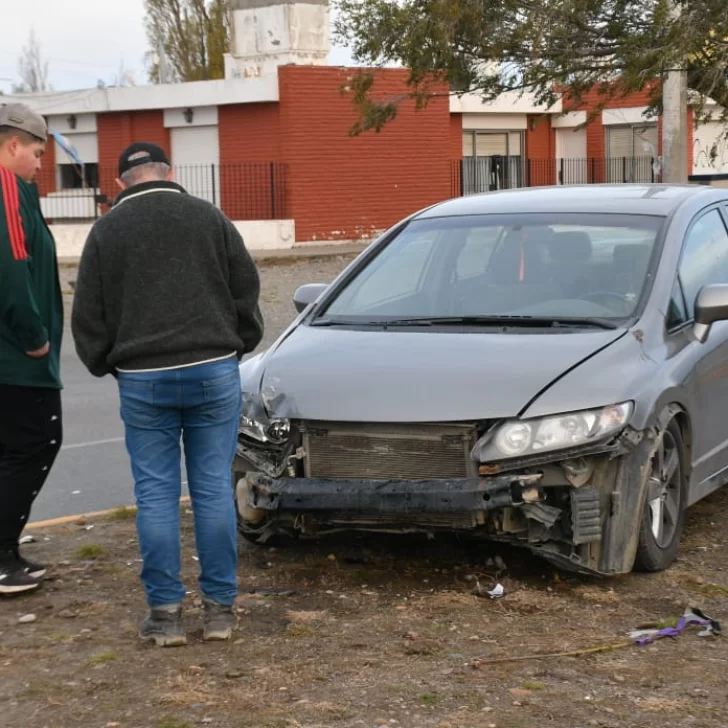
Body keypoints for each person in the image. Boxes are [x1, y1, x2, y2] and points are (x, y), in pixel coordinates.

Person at [71, 142, 264, 646]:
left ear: (120, 183)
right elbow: (246, 288)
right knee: (212, 491)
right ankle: (220, 611)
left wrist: (105, 361)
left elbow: (88, 312)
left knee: (155, 495)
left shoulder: (106, 231)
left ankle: (165, 615)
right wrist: (239, 344)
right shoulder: (210, 218)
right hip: (213, 368)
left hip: (142, 375)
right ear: (170, 173)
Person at [0, 104, 63, 597]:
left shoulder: (17, 190)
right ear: (12, 145)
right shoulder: (5, 189)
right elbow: (13, 274)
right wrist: (36, 339)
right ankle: (2, 557)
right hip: (17, 359)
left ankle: (7, 552)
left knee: (14, 451)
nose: (41, 164)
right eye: (38, 153)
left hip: (13, 357)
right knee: (35, 444)